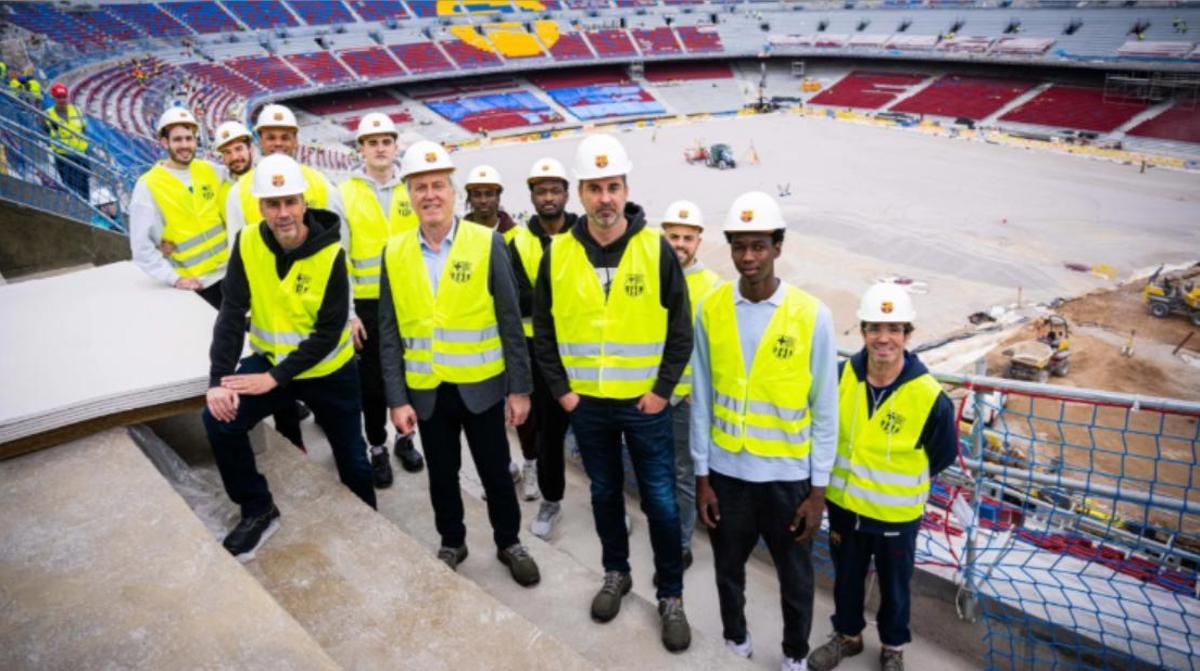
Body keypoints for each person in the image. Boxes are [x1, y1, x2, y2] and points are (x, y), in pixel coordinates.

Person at [532, 133, 693, 652]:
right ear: (580, 192)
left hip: (645, 406)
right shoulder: (556, 254)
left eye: (613, 186)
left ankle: (671, 596)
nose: (605, 198)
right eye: (595, 187)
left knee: (662, 502)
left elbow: (681, 329)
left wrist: (663, 390)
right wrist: (563, 393)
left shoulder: (655, 249)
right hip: (589, 406)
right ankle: (615, 573)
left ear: (626, 189)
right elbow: (545, 330)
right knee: (604, 495)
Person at [378, 140, 540, 587]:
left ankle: (509, 541)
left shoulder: (486, 243)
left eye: (437, 185)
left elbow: (511, 320)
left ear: (453, 192)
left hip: (481, 385)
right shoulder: (393, 253)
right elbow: (390, 333)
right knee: (442, 475)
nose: (429, 195)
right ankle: (453, 540)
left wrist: (520, 388)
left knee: (495, 471)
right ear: (409, 196)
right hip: (427, 391)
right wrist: (396, 399)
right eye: (419, 187)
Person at [691, 191, 838, 671]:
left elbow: (825, 412)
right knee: (727, 571)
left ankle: (795, 655)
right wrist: (702, 477)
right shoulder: (710, 310)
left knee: (796, 580)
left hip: (787, 480)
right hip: (728, 474)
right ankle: (736, 640)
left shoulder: (812, 315)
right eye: (739, 246)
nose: (748, 257)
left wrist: (818, 493)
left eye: (759, 246)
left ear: (778, 246)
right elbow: (703, 399)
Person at [203, 153, 376, 561]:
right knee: (218, 419)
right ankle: (257, 508)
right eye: (272, 204)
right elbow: (231, 313)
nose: (283, 213)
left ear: (304, 202)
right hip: (272, 362)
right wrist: (217, 380)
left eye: (290, 202)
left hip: (328, 370)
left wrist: (274, 378)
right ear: (261, 206)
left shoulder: (331, 254)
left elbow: (329, 332)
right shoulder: (247, 242)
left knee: (352, 455)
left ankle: (369, 520)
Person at [807, 283, 957, 671]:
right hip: (845, 509)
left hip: (895, 517)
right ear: (863, 332)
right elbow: (821, 431)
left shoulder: (929, 397)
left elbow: (941, 455)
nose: (884, 338)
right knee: (846, 579)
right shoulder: (839, 378)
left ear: (908, 335)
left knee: (895, 587)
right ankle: (848, 636)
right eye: (874, 328)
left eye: (894, 329)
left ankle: (892, 647)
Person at [338, 112, 422, 488]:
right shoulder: (346, 192)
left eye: (386, 141)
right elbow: (341, 258)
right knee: (372, 384)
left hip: (409, 301)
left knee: (410, 375)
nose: (380, 148)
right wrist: (350, 312)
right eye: (373, 143)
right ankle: (377, 447)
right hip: (369, 305)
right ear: (362, 148)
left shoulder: (412, 186)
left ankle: (406, 438)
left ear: (395, 145)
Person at [510, 157, 579, 535]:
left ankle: (609, 503)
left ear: (567, 194)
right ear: (532, 196)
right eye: (542, 191)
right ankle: (552, 501)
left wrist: (545, 296)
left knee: (597, 432)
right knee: (550, 431)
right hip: (540, 351)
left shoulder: (586, 235)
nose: (549, 197)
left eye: (555, 190)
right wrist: (566, 296)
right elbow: (518, 300)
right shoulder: (516, 242)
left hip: (584, 347)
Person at [660, 199, 722, 578]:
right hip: (650, 395)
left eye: (687, 237)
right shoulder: (651, 275)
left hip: (686, 400)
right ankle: (663, 531)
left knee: (683, 475)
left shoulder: (713, 288)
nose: (679, 244)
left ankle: (680, 544)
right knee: (656, 470)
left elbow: (715, 349)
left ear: (699, 240)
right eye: (673, 237)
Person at [128, 107, 227, 308]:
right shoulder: (148, 185)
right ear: (165, 142)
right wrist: (173, 278)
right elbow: (140, 246)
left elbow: (242, 177)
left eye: (189, 138)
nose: (185, 145)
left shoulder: (211, 170)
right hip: (198, 285)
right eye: (178, 139)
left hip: (230, 273)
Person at [44, 82, 90, 200]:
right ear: (53, 97)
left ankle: (86, 211)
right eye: (58, 97)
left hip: (81, 155)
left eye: (64, 96)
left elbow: (84, 129)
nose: (62, 99)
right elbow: (45, 132)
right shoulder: (48, 114)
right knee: (70, 187)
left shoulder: (77, 111)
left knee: (84, 186)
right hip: (63, 156)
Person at [463, 164, 518, 241]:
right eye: (477, 195)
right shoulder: (457, 236)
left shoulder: (518, 236)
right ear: (469, 198)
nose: (483, 200)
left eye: (489, 194)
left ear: (498, 197)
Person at [212, 119, 254, 214]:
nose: (234, 157)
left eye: (239, 149)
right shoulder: (221, 191)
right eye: (227, 152)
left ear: (250, 149)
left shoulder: (264, 180)